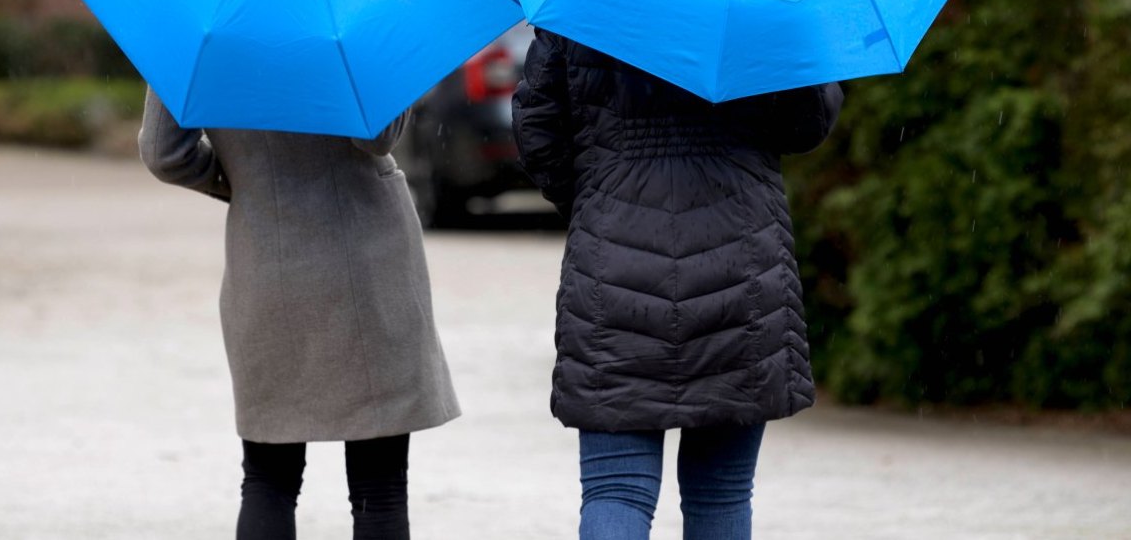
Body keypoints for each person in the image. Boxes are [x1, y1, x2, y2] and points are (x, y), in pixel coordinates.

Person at [511, 29, 843, 540]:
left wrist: (600, 203)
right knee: (722, 493)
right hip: (740, 262)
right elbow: (805, 125)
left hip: (613, 266)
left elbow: (539, 133)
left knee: (615, 488)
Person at [138, 88, 459, 540]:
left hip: (265, 259)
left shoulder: (196, 20)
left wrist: (244, 182)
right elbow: (378, 135)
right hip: (366, 258)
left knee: (268, 481)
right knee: (379, 488)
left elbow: (162, 152)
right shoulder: (353, 14)